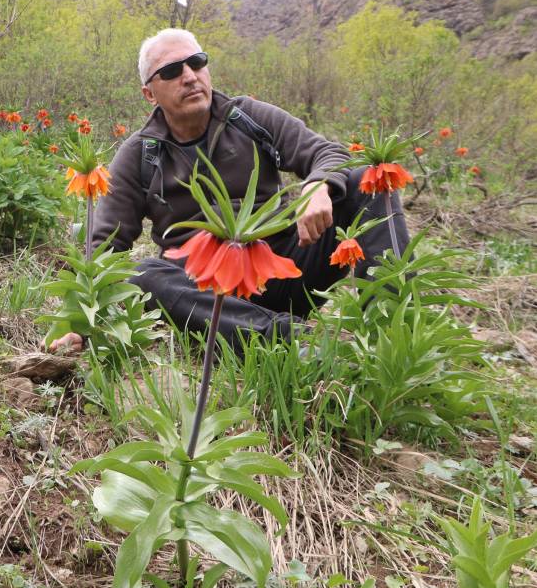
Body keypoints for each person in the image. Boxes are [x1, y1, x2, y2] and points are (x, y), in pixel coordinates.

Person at [47, 28, 409, 353]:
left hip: (281, 266)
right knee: (143, 275)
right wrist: (81, 324)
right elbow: (105, 246)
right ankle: (288, 340)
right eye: (171, 71)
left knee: (369, 180)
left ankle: (393, 328)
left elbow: (327, 152)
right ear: (149, 93)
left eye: (196, 63)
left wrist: (319, 184)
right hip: (206, 290)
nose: (189, 76)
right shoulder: (140, 153)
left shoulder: (248, 117)